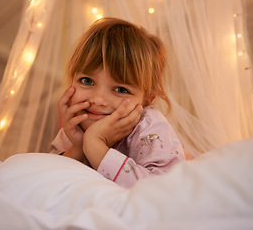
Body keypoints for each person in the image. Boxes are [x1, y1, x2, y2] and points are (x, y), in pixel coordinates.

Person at [50, 17, 185, 188]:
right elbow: (50, 184)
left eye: (121, 90)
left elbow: (163, 192)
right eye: (87, 81)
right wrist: (77, 148)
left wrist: (94, 143)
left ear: (146, 100)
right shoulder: (74, 127)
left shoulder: (150, 128)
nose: (97, 100)